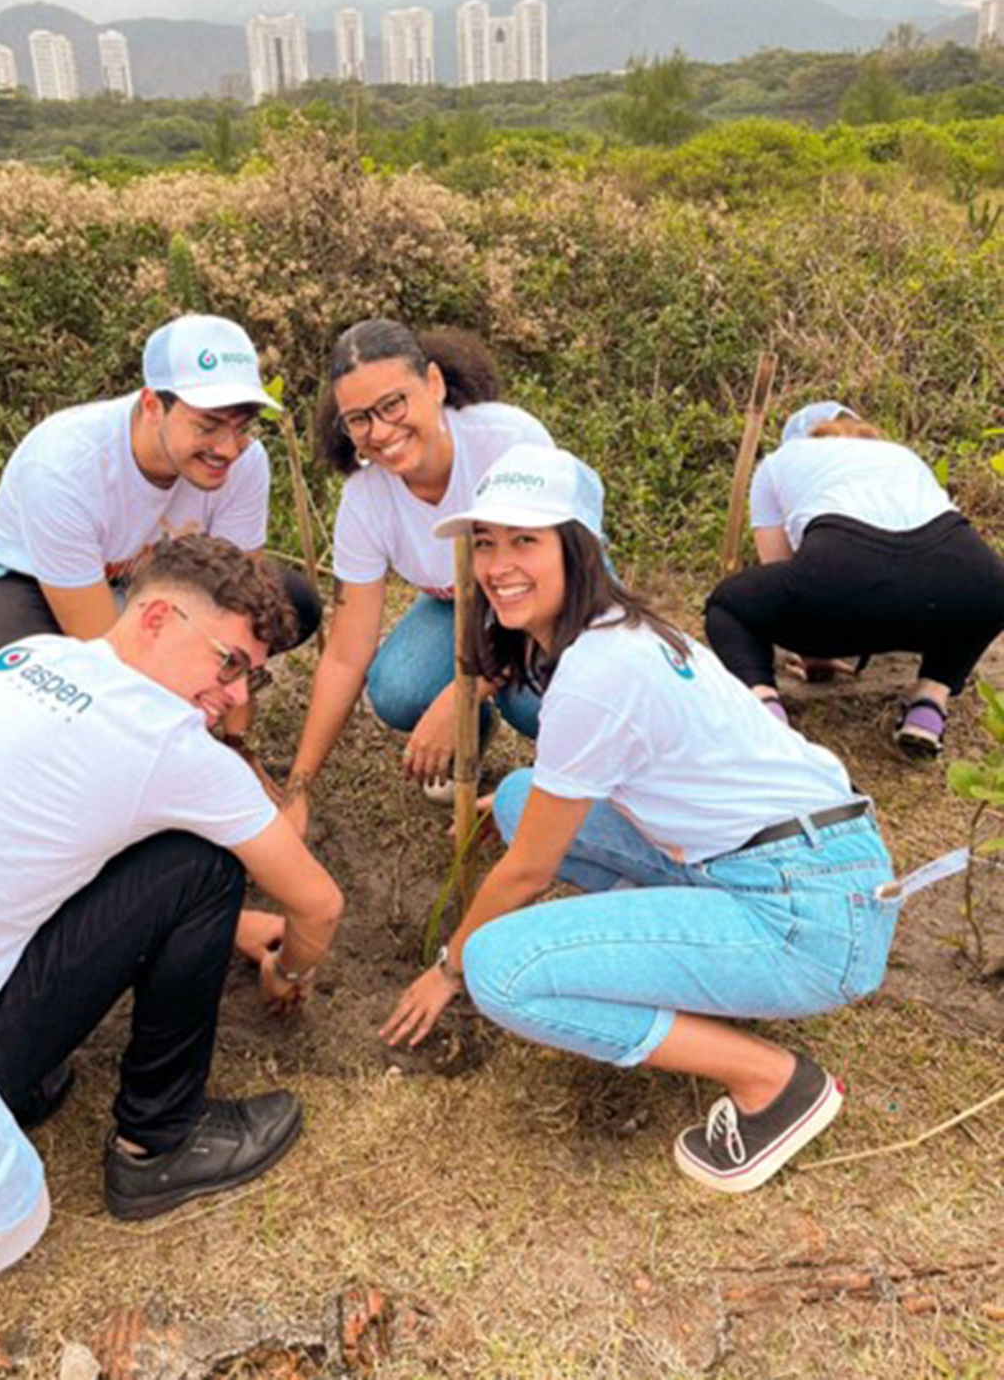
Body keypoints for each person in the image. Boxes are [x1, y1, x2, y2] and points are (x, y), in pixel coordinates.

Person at [0, 535, 344, 1275]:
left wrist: (239, 934)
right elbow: (320, 904)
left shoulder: (27, 659)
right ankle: (159, 1143)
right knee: (205, 866)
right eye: (230, 664)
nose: (240, 697)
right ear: (155, 619)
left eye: (255, 677)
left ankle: (14, 1073)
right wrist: (289, 966)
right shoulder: (169, 748)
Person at [382, 443, 904, 1194]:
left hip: (809, 917)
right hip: (816, 857)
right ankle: (680, 955)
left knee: (504, 969)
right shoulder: (630, 634)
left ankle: (774, 1085)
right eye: (486, 542)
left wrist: (448, 968)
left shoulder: (596, 675)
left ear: (579, 549)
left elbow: (527, 870)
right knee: (529, 793)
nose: (497, 565)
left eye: (525, 541)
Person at [0, 311, 322, 696]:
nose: (227, 448)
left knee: (289, 602)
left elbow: (247, 606)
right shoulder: (64, 465)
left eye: (242, 428)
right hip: (33, 581)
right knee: (22, 686)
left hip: (148, 580)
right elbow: (106, 653)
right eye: (208, 426)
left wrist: (234, 741)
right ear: (152, 406)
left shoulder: (246, 460)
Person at [283, 319, 564, 825]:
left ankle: (583, 763)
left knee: (533, 698)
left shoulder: (506, 443)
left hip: (555, 595)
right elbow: (347, 654)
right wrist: (298, 786)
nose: (382, 432)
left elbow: (554, 588)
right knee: (398, 688)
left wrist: (463, 689)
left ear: (433, 384)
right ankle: (470, 735)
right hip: (465, 604)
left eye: (394, 404)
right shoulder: (366, 500)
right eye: (359, 419)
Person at [704, 401, 1004, 756]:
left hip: (846, 572)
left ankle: (766, 709)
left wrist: (814, 648)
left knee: (728, 606)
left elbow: (781, 572)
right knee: (975, 595)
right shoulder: (900, 455)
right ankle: (929, 702)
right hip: (975, 579)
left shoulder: (778, 463)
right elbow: (915, 559)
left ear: (799, 439)